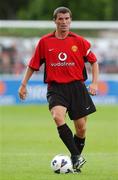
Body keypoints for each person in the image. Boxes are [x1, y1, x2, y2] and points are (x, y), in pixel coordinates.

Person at [18, 7, 99, 173]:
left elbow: (94, 62)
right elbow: (33, 65)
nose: (64, 22)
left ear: (71, 20)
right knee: (57, 116)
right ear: (54, 21)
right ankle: (76, 156)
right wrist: (23, 84)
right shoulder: (45, 42)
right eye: (60, 19)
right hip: (56, 88)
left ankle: (75, 163)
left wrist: (95, 83)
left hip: (77, 87)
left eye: (67, 19)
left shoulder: (79, 41)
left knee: (81, 128)